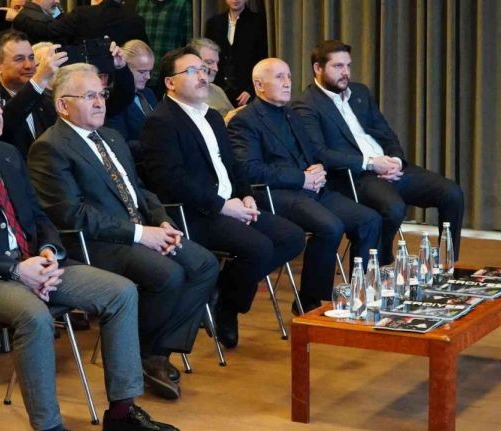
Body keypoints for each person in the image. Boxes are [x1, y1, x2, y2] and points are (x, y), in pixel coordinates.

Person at [0, 72, 179, 431]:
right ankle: (48, 426)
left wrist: (49, 251)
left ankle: (122, 414)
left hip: (33, 265)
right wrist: (16, 270)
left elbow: (37, 216)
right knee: (34, 315)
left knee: (121, 292)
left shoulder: (7, 155)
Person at [28, 63, 218, 400]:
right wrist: (140, 233)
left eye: (101, 94)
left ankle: (152, 353)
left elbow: (139, 190)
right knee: (169, 275)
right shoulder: (50, 148)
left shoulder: (112, 137)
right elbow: (73, 214)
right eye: (89, 96)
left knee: (205, 265)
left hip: (140, 230)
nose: (99, 102)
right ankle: (145, 356)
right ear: (62, 105)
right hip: (96, 243)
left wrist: (161, 221)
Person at [140, 47, 304, 349]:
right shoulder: (160, 122)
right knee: (258, 247)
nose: (203, 76)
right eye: (192, 71)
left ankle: (222, 294)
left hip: (231, 204)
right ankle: (229, 308)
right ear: (170, 83)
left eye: (203, 70)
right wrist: (222, 206)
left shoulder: (213, 116)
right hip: (195, 212)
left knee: (291, 237)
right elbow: (170, 180)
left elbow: (233, 164)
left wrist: (246, 195)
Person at [291, 40, 465, 263]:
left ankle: (448, 261)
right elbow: (320, 153)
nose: (346, 72)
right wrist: (372, 163)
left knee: (452, 193)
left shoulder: (360, 92)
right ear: (318, 68)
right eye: (338, 66)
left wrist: (396, 160)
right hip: (355, 176)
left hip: (389, 167)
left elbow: (386, 133)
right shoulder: (306, 104)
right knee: (393, 208)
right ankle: (380, 264)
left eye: (348, 65)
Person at [228, 58, 381, 311]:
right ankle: (310, 301)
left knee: (369, 220)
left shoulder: (292, 114)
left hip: (312, 188)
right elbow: (250, 170)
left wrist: (319, 167)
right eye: (279, 77)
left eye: (289, 76)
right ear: (259, 84)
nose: (287, 83)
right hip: (276, 193)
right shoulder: (245, 120)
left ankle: (359, 293)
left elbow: (313, 152)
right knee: (330, 227)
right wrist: (302, 178)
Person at [0, 30, 63, 156]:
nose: (29, 65)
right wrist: (39, 80)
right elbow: (4, 124)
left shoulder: (44, 99)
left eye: (31, 58)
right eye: (19, 59)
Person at [205, 0, 267, 107]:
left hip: (246, 92)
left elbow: (262, 60)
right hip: (218, 90)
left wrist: (251, 90)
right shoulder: (214, 23)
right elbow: (207, 57)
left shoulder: (258, 22)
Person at [13, 0, 147, 48]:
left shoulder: (82, 14)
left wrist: (16, 18)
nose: (58, 2)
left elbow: (47, 31)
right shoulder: (137, 20)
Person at [105, 39, 156, 161]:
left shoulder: (148, 93)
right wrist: (158, 145)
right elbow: (120, 143)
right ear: (124, 67)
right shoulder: (114, 100)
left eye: (150, 71)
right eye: (142, 72)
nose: (148, 77)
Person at [135, 0, 191, 90]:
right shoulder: (142, 4)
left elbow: (189, 41)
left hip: (168, 73)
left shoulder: (182, 5)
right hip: (143, 73)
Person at [187, 38, 239, 122]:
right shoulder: (185, 95)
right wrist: (226, 121)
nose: (216, 69)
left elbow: (234, 115)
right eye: (209, 62)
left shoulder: (217, 89)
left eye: (217, 63)